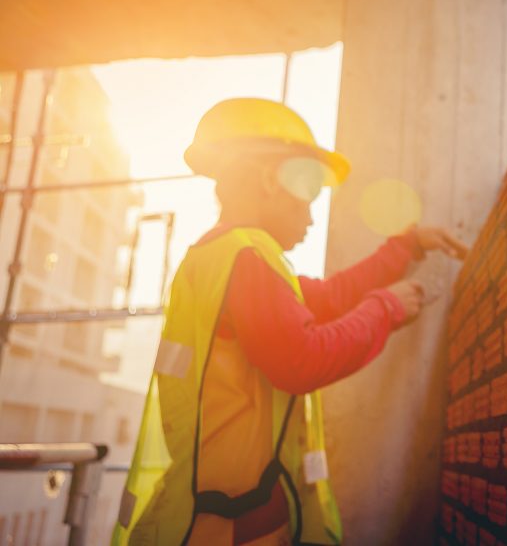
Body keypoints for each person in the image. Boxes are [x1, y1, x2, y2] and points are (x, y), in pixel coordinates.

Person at [113, 98, 467, 545]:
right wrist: (386, 307)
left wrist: (407, 246)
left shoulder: (226, 256)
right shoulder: (247, 257)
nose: (311, 216)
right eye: (308, 193)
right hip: (229, 526)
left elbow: (328, 297)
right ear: (268, 179)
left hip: (222, 513)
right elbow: (302, 358)